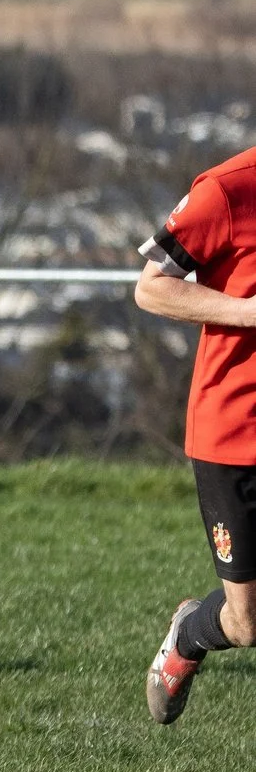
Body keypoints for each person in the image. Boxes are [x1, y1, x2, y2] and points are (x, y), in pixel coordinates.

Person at [137, 149, 256, 722]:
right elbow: (152, 289)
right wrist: (248, 313)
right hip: (233, 436)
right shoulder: (228, 191)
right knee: (248, 622)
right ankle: (191, 631)